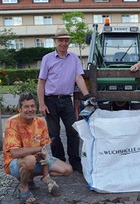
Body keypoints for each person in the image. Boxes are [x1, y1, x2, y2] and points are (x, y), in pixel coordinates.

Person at [37, 27, 95, 172]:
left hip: (66, 100)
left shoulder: (74, 58)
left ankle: (75, 160)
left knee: (73, 130)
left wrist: (87, 96)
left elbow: (78, 77)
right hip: (50, 100)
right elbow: (41, 82)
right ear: (55, 42)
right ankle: (59, 162)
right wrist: (42, 103)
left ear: (69, 42)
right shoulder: (47, 58)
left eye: (66, 40)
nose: (63, 43)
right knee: (54, 134)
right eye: (60, 40)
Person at [3, 93, 73, 203]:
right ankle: (24, 186)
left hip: (37, 159)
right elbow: (15, 152)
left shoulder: (41, 123)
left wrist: (47, 178)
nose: (30, 109)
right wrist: (37, 149)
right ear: (19, 109)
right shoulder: (12, 122)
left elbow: (43, 152)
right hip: (14, 162)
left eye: (32, 106)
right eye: (26, 107)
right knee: (30, 160)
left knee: (67, 170)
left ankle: (29, 177)